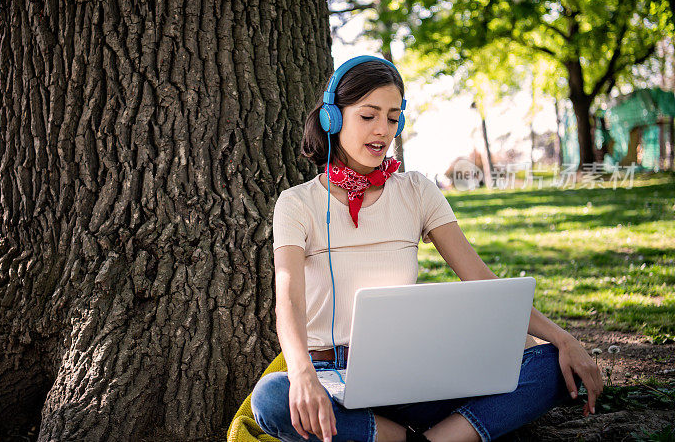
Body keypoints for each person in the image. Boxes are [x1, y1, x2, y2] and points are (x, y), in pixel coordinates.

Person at [250, 57, 603, 442]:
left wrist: (565, 339)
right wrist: (302, 373)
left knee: (551, 364)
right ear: (333, 118)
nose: (382, 130)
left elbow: (482, 281)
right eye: (368, 116)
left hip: (409, 372)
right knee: (270, 399)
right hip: (332, 376)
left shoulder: (417, 190)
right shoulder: (297, 203)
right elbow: (289, 300)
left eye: (392, 117)